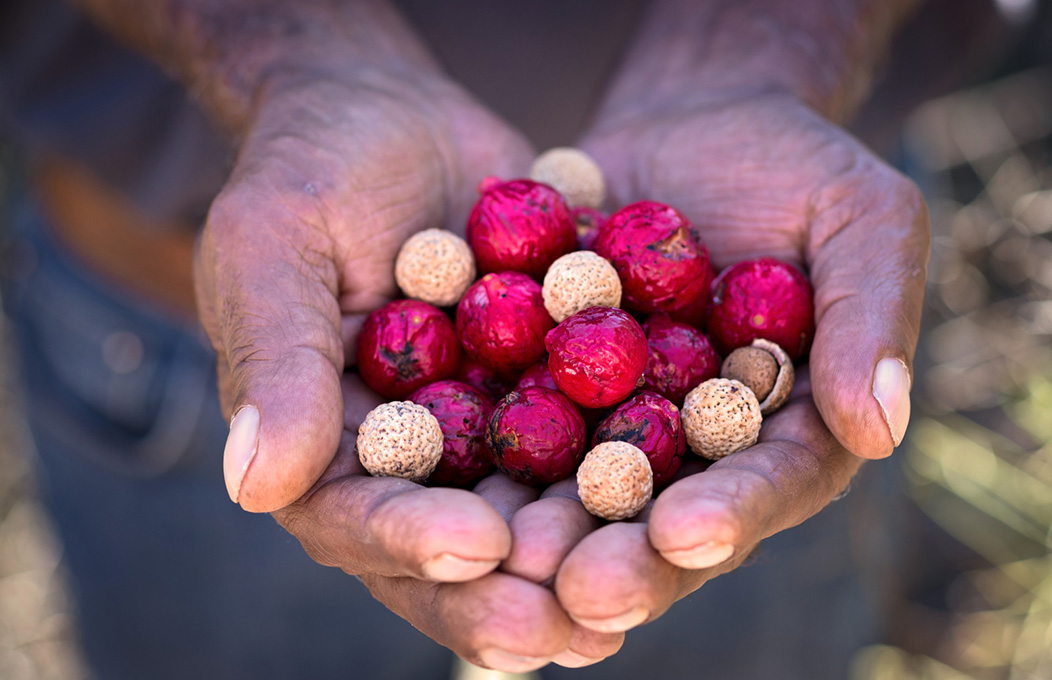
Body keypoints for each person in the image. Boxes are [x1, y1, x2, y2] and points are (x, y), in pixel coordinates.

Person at [0, 0, 934, 677]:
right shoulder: (495, 330)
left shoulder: (658, 345)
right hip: (149, 316)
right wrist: (298, 56)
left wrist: (762, 48)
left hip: (796, 186)